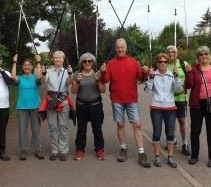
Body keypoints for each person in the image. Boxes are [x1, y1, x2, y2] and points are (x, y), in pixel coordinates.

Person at [100, 38, 151, 167]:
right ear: (115, 48)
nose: (120, 49)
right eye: (118, 47)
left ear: (126, 48)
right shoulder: (110, 63)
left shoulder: (134, 62)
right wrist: (103, 71)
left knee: (137, 125)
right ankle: (123, 149)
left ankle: (141, 152)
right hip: (117, 99)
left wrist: (145, 73)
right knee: (120, 124)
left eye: (122, 47)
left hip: (131, 99)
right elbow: (105, 80)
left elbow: (141, 78)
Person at [144, 53, 183, 168]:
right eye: (160, 62)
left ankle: (170, 156)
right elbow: (146, 90)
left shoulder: (172, 75)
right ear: (157, 63)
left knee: (170, 133)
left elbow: (179, 89)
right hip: (156, 108)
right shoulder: (153, 75)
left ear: (167, 63)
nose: (163, 64)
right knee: (157, 132)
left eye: (165, 62)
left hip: (170, 107)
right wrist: (150, 78)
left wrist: (176, 77)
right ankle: (157, 156)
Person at [71, 52, 106, 161]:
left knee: (97, 129)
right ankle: (80, 150)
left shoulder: (98, 73)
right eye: (85, 61)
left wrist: (98, 80)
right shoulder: (77, 74)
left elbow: (103, 90)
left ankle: (99, 149)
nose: (87, 63)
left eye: (89, 61)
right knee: (81, 129)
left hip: (95, 105)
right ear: (82, 63)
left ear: (93, 62)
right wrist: (77, 82)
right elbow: (73, 91)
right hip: (81, 105)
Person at [11, 53, 45, 160]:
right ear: (22, 67)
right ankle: (23, 150)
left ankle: (38, 149)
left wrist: (39, 62)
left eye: (29, 65)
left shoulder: (35, 77)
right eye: (25, 65)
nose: (26, 67)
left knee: (36, 129)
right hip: (22, 107)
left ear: (32, 67)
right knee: (22, 129)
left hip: (35, 107)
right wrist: (15, 62)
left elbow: (40, 77)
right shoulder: (19, 78)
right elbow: (12, 77)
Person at [41, 50, 73, 161]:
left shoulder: (67, 71)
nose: (58, 60)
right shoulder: (48, 71)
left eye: (60, 58)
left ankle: (63, 151)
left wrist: (70, 74)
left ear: (63, 60)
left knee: (63, 126)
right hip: (51, 101)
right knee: (53, 126)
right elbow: (44, 82)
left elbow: (70, 82)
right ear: (53, 59)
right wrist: (44, 74)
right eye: (56, 58)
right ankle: (54, 151)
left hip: (63, 101)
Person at [166, 45, 191, 155]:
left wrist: (189, 73)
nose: (171, 54)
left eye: (173, 52)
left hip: (181, 97)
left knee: (181, 120)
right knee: (171, 121)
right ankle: (173, 140)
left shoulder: (183, 64)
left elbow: (190, 79)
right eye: (169, 52)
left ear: (177, 53)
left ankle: (185, 143)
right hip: (169, 97)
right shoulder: (165, 65)